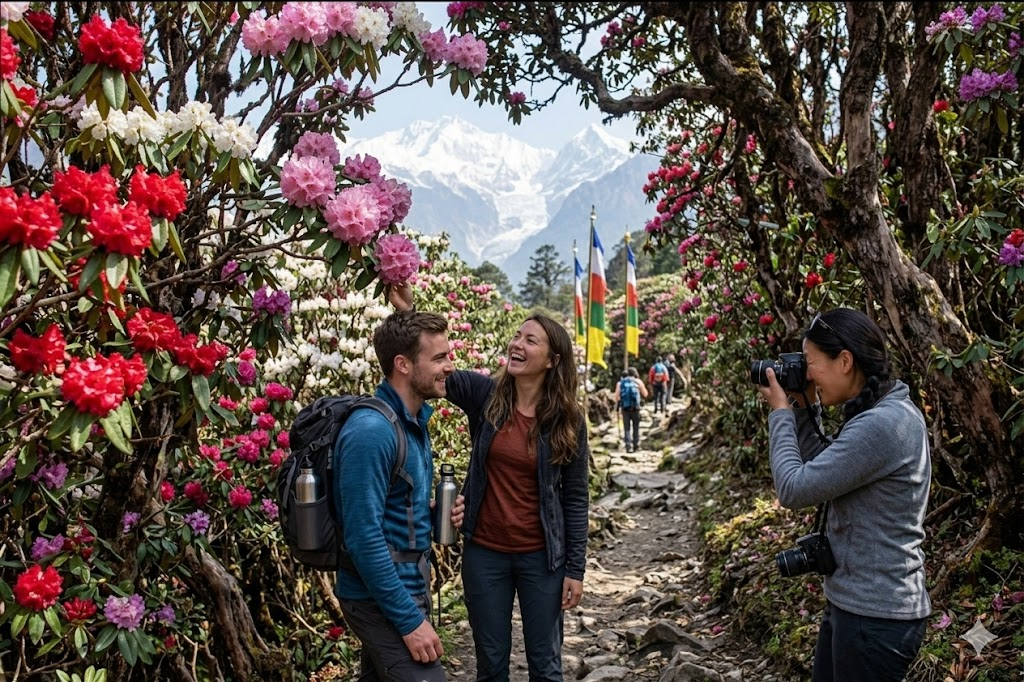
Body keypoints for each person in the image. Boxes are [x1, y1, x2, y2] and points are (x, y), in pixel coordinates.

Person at [756, 308, 931, 682]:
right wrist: (802, 405)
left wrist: (780, 413)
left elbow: (794, 487)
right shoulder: (881, 413)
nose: (806, 373)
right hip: (855, 606)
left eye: (810, 363)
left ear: (845, 361)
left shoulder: (884, 425)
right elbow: (823, 468)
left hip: (876, 616)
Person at [334, 308, 463, 682]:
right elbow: (363, 536)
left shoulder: (413, 421)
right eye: (439, 358)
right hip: (378, 598)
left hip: (404, 587)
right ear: (403, 365)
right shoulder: (371, 432)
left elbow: (392, 506)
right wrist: (409, 621)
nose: (450, 366)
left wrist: (429, 512)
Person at [615, 367, 648, 452]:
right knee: (636, 426)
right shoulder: (638, 382)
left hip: (625, 408)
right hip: (636, 408)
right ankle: (636, 445)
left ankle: (628, 446)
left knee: (627, 428)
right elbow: (645, 394)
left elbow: (617, 397)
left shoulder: (620, 383)